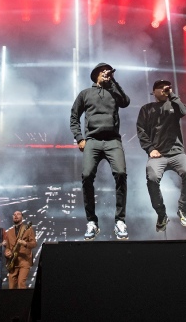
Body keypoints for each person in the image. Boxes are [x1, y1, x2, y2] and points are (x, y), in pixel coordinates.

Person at [70, 62, 131, 240]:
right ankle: (92, 222)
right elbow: (74, 116)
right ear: (96, 74)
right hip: (93, 141)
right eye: (103, 72)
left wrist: (113, 82)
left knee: (121, 173)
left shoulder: (114, 92)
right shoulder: (85, 94)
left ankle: (120, 221)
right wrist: (79, 138)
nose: (106, 73)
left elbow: (126, 102)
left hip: (113, 140)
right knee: (87, 175)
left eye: (108, 72)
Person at [136, 79, 186, 231]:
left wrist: (173, 95)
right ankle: (161, 214)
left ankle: (183, 209)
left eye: (166, 88)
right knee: (152, 178)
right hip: (157, 155)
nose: (164, 90)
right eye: (160, 88)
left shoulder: (174, 105)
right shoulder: (146, 109)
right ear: (154, 92)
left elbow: (183, 111)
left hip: (177, 153)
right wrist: (149, 149)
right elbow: (140, 130)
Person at [4, 210, 37, 289]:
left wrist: (25, 243)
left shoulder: (28, 229)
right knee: (11, 287)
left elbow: (34, 244)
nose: (16, 216)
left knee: (21, 283)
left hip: (24, 261)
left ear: (22, 217)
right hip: (12, 263)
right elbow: (7, 247)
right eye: (14, 214)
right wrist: (7, 252)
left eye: (18, 214)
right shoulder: (9, 232)